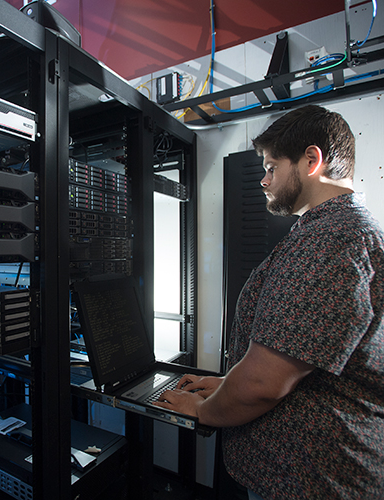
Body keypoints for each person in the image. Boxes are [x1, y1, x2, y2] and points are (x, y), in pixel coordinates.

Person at [154, 105, 384, 500]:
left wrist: (200, 410)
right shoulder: (339, 230)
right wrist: (228, 383)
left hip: (310, 480)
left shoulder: (332, 240)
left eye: (272, 167)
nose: (263, 179)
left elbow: (264, 382)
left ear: (312, 160)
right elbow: (298, 358)